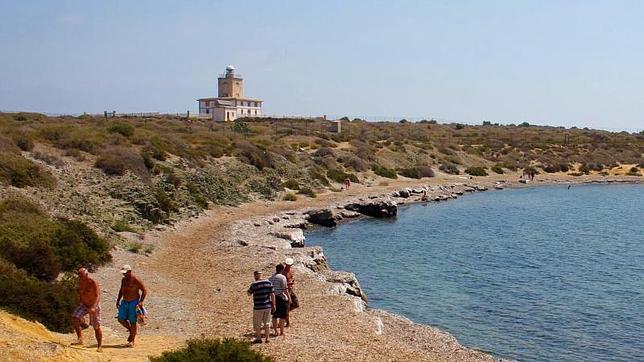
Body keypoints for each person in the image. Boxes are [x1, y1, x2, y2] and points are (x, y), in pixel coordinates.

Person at [71, 268, 103, 352]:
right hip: (84, 304)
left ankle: (99, 346)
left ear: (86, 275)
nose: (80, 278)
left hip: (93, 305)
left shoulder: (92, 282)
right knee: (75, 317)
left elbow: (98, 295)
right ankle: (80, 339)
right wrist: (80, 302)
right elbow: (80, 293)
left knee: (96, 326)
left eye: (82, 276)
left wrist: (94, 307)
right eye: (79, 276)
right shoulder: (80, 282)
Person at [116, 264, 147, 347]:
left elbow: (144, 290)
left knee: (132, 321)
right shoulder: (123, 280)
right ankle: (131, 331)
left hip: (134, 302)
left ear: (130, 272)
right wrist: (118, 300)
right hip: (125, 301)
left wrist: (141, 302)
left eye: (125, 273)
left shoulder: (136, 280)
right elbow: (121, 290)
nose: (124, 274)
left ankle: (132, 340)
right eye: (123, 273)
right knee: (120, 319)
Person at [247, 271, 275, 343]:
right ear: (261, 275)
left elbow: (248, 293)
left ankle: (259, 338)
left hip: (258, 306)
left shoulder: (254, 284)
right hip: (267, 306)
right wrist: (274, 305)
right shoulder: (268, 283)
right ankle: (267, 338)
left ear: (255, 276)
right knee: (267, 322)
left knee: (257, 323)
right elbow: (272, 295)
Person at [268, 264, 290, 336]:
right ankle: (281, 332)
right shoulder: (282, 277)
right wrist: (289, 298)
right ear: (282, 269)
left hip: (273, 298)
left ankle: (275, 331)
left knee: (274, 315)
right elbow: (285, 289)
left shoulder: (271, 277)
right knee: (282, 316)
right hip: (281, 298)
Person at [282, 258, 298, 327]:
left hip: (291, 290)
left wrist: (292, 281)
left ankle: (284, 314)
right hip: (286, 291)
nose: (289, 266)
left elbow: (291, 279)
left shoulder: (290, 271)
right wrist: (289, 283)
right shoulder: (283, 273)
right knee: (288, 306)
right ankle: (287, 322)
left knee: (296, 304)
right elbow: (283, 284)